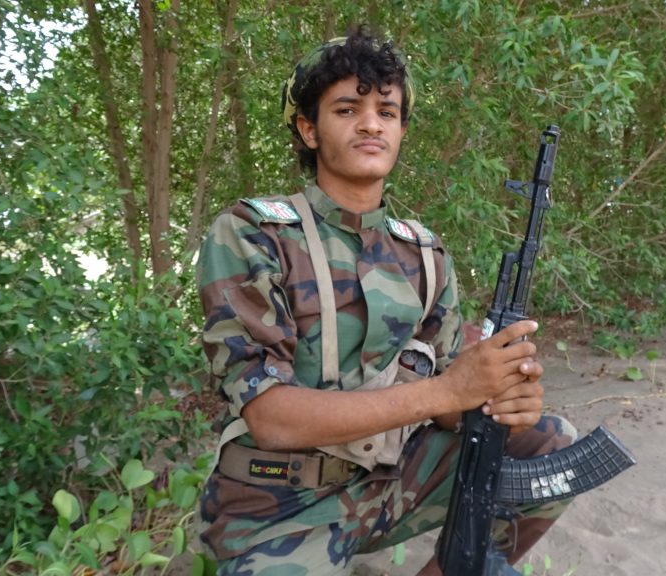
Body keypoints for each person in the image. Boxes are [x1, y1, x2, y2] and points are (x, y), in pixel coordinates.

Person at [196, 26, 578, 576]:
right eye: (347, 109)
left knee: (550, 448)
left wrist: (497, 396)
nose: (371, 123)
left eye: (387, 111)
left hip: (390, 484)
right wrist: (449, 389)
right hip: (277, 505)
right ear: (308, 129)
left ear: (400, 130)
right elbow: (270, 418)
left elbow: (452, 408)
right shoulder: (253, 234)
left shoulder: (423, 253)